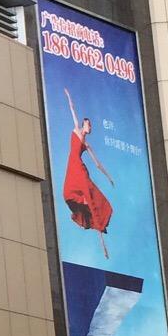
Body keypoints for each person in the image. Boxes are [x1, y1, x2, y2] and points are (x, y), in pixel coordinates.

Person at [60, 85, 117, 259]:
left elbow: (97, 164)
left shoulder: (87, 144)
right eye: (88, 124)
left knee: (93, 199)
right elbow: (72, 110)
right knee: (68, 192)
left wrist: (108, 177)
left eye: (90, 125)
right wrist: (69, 97)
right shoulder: (77, 130)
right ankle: (83, 203)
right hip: (73, 166)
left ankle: (103, 244)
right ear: (84, 125)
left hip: (80, 169)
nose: (90, 127)